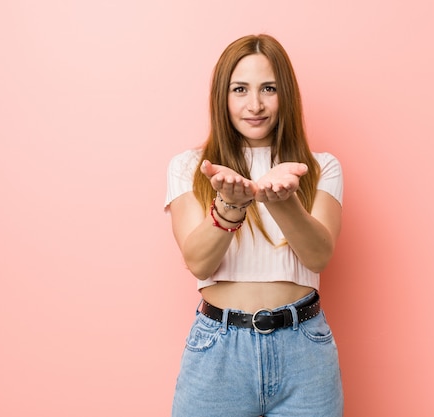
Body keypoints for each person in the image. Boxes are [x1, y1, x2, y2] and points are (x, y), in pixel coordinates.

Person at [164, 34, 344, 417]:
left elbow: (319, 255)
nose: (255, 104)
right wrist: (230, 206)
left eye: (268, 88)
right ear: (222, 97)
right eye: (240, 89)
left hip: (305, 351)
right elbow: (198, 262)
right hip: (218, 354)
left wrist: (281, 201)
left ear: (286, 96)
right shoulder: (189, 167)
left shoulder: (319, 167)